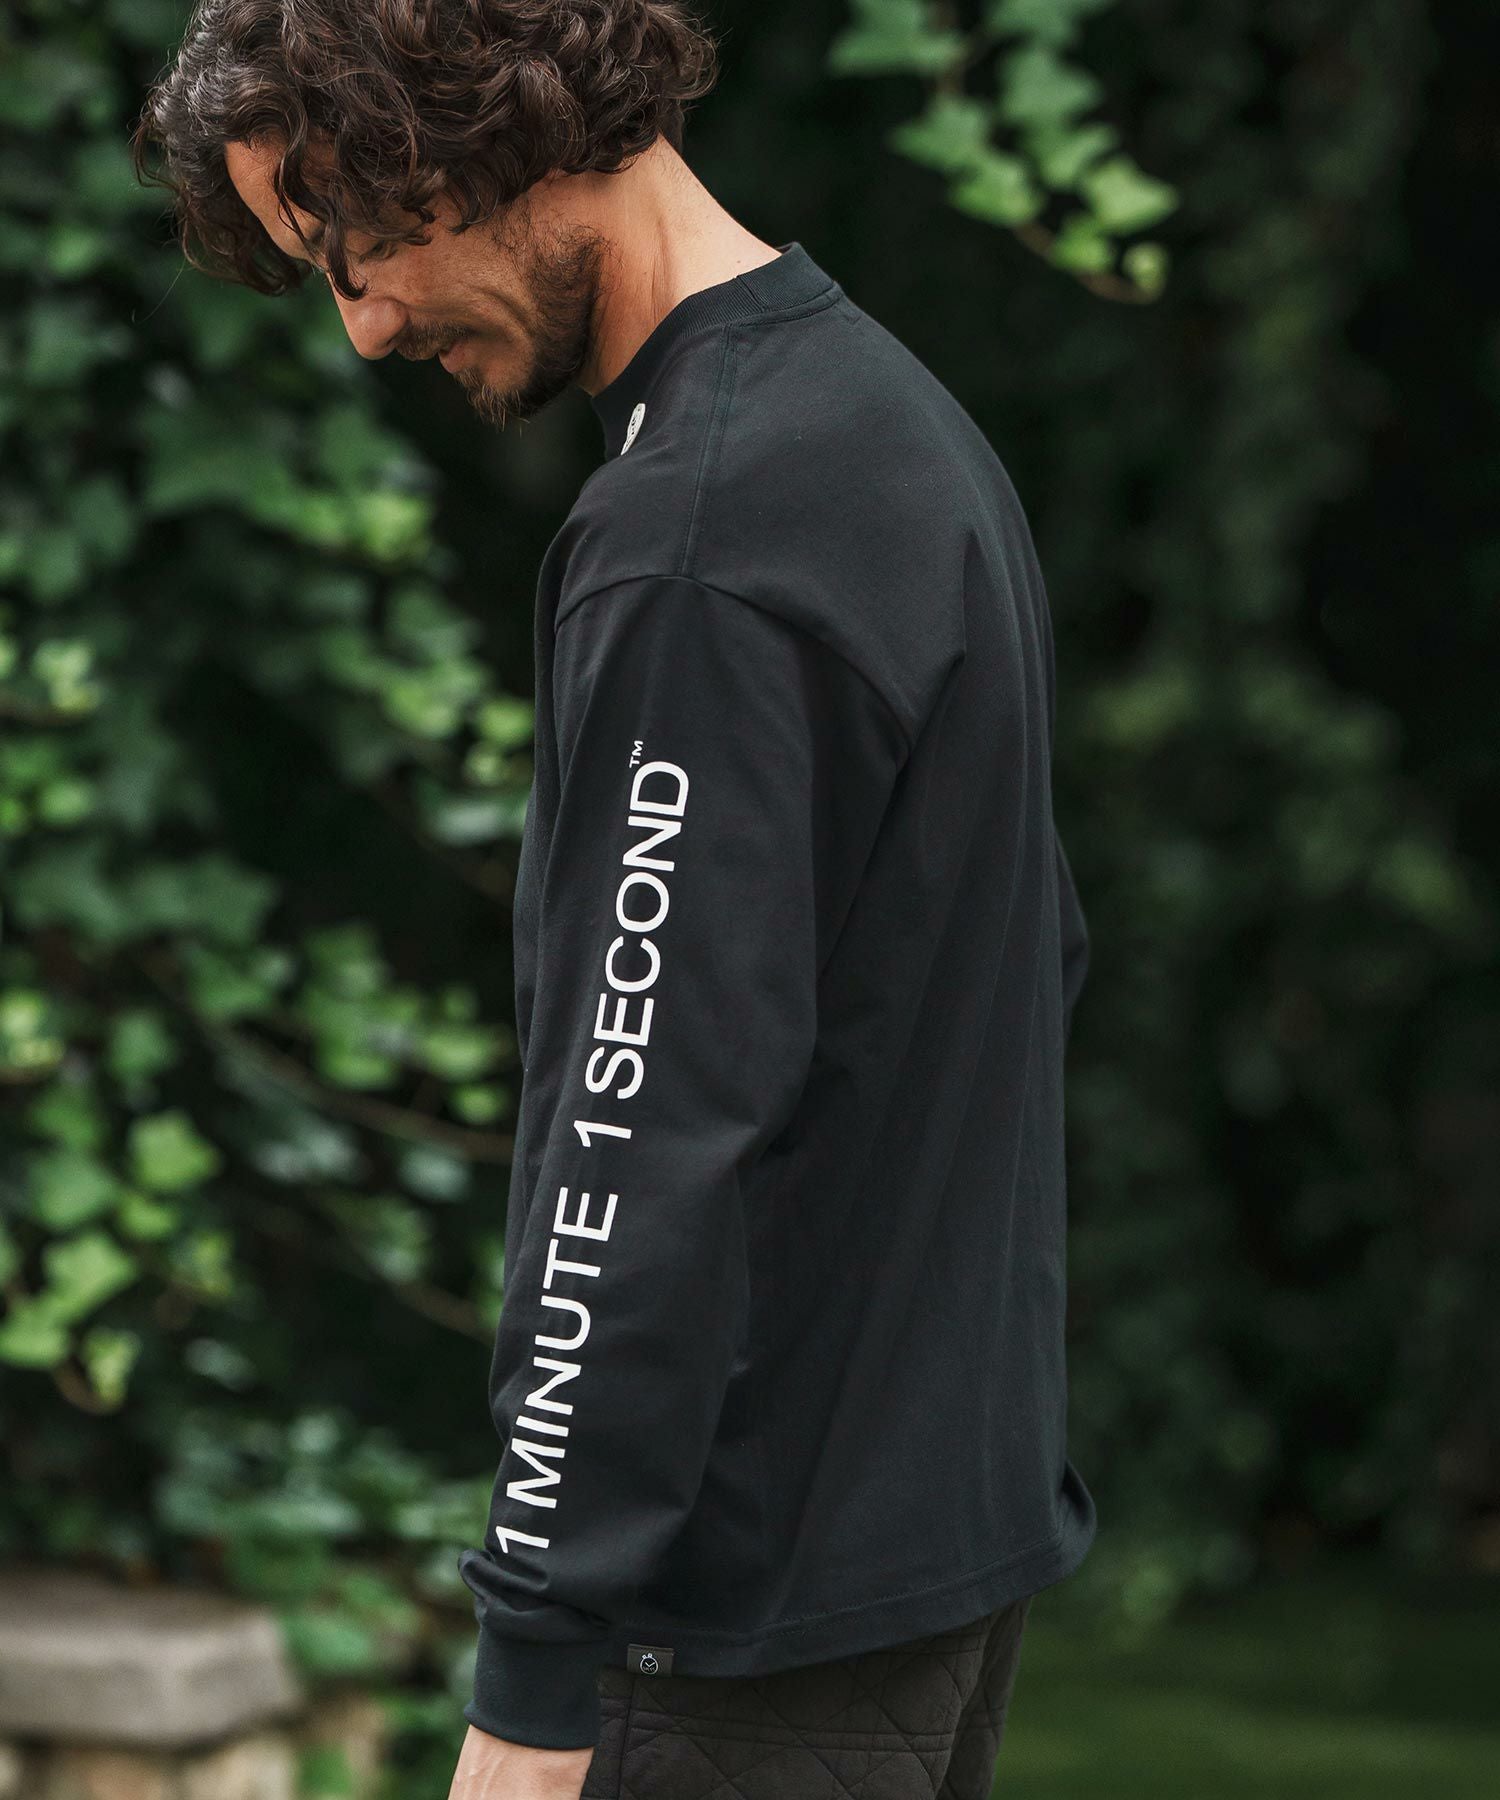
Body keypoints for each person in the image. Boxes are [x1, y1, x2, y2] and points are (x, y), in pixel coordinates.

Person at [132, 4, 1097, 1795]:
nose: (363, 324)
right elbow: (1028, 963)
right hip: (924, 1559)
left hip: (732, 1623)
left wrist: (534, 1675)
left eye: (352, 244)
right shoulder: (885, 424)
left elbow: (635, 1147)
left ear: (479, 131)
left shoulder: (698, 544)